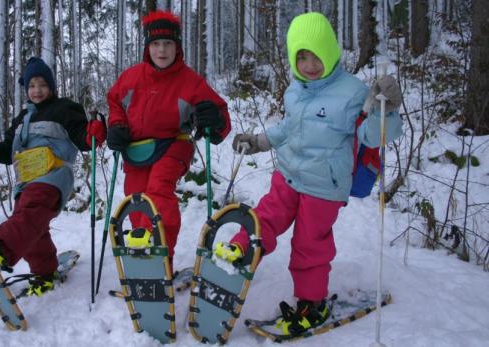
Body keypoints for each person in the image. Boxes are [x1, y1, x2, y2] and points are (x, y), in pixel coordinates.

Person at [214, 12, 403, 336]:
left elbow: (374, 137)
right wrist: (260, 141)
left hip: (324, 187)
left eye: (316, 55)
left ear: (330, 51)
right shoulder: (296, 90)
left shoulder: (353, 93)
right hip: (288, 173)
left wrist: (387, 109)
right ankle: (240, 248)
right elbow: (289, 127)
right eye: (301, 56)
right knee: (265, 217)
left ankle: (311, 303)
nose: (310, 64)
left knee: (308, 244)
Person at [106, 10, 231, 271]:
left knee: (159, 186)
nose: (162, 50)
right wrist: (116, 125)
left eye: (168, 43)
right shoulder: (130, 78)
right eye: (155, 44)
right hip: (137, 148)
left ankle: (160, 252)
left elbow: (220, 113)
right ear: (147, 47)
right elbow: (114, 102)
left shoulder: (190, 81)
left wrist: (214, 121)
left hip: (175, 143)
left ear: (177, 47)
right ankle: (143, 254)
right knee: (136, 196)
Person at [0, 57, 106, 296]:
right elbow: (8, 150)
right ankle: (44, 273)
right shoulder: (22, 118)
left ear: (52, 87)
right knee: (32, 227)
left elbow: (80, 136)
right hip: (26, 180)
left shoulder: (65, 109)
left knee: (30, 216)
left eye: (42, 84)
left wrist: (91, 135)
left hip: (53, 176)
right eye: (32, 85)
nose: (37, 90)